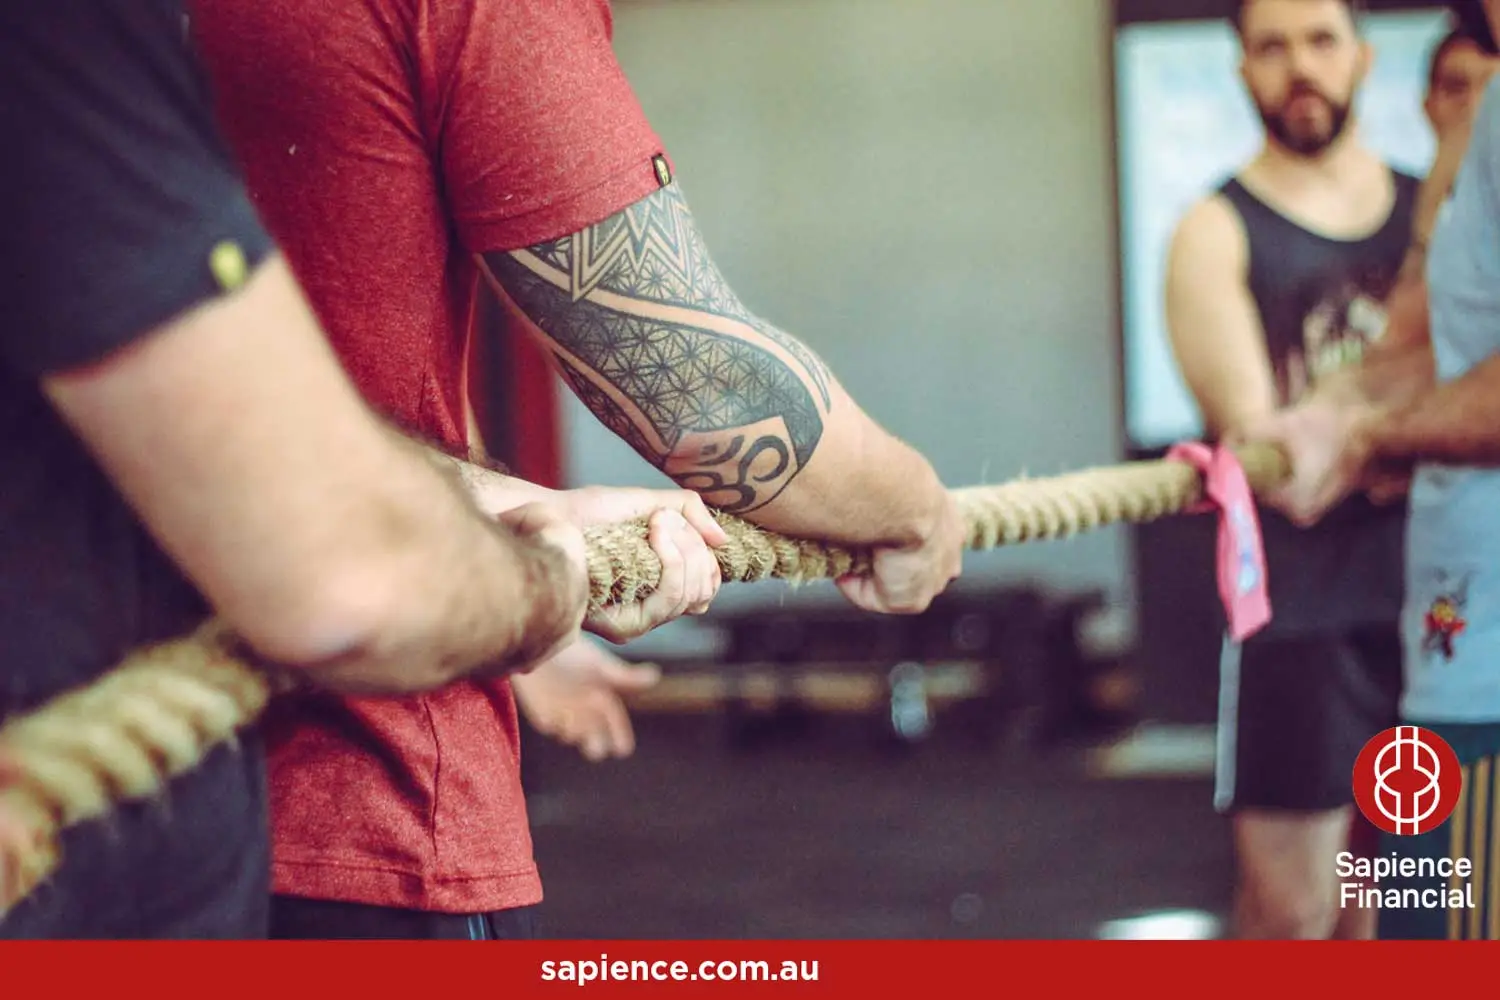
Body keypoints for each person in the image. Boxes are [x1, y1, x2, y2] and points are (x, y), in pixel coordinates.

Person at [186, 0, 966, 940]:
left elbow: (236, 398)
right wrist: (918, 511)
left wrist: (510, 579)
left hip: (62, 805)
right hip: (344, 797)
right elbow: (705, 393)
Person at [0, 0, 720, 939]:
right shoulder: (60, 40)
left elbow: (217, 431)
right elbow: (725, 399)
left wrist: (521, 527)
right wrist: (537, 592)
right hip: (283, 810)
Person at [1245, 0, 1500, 941]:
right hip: (1448, 656)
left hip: (1479, 670)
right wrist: (1329, 414)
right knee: (1402, 933)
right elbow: (1429, 343)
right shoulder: (1486, 113)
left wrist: (1365, 439)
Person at [1162, 0, 1416, 939]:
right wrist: (1403, 437)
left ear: (1363, 57)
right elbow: (1276, 458)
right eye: (1271, 48)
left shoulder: (1435, 213)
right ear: (1243, 71)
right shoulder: (1214, 232)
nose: (1299, 68)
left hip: (1436, 601)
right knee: (1297, 912)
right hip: (1297, 611)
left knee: (1407, 905)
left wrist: (1369, 441)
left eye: (1320, 41)